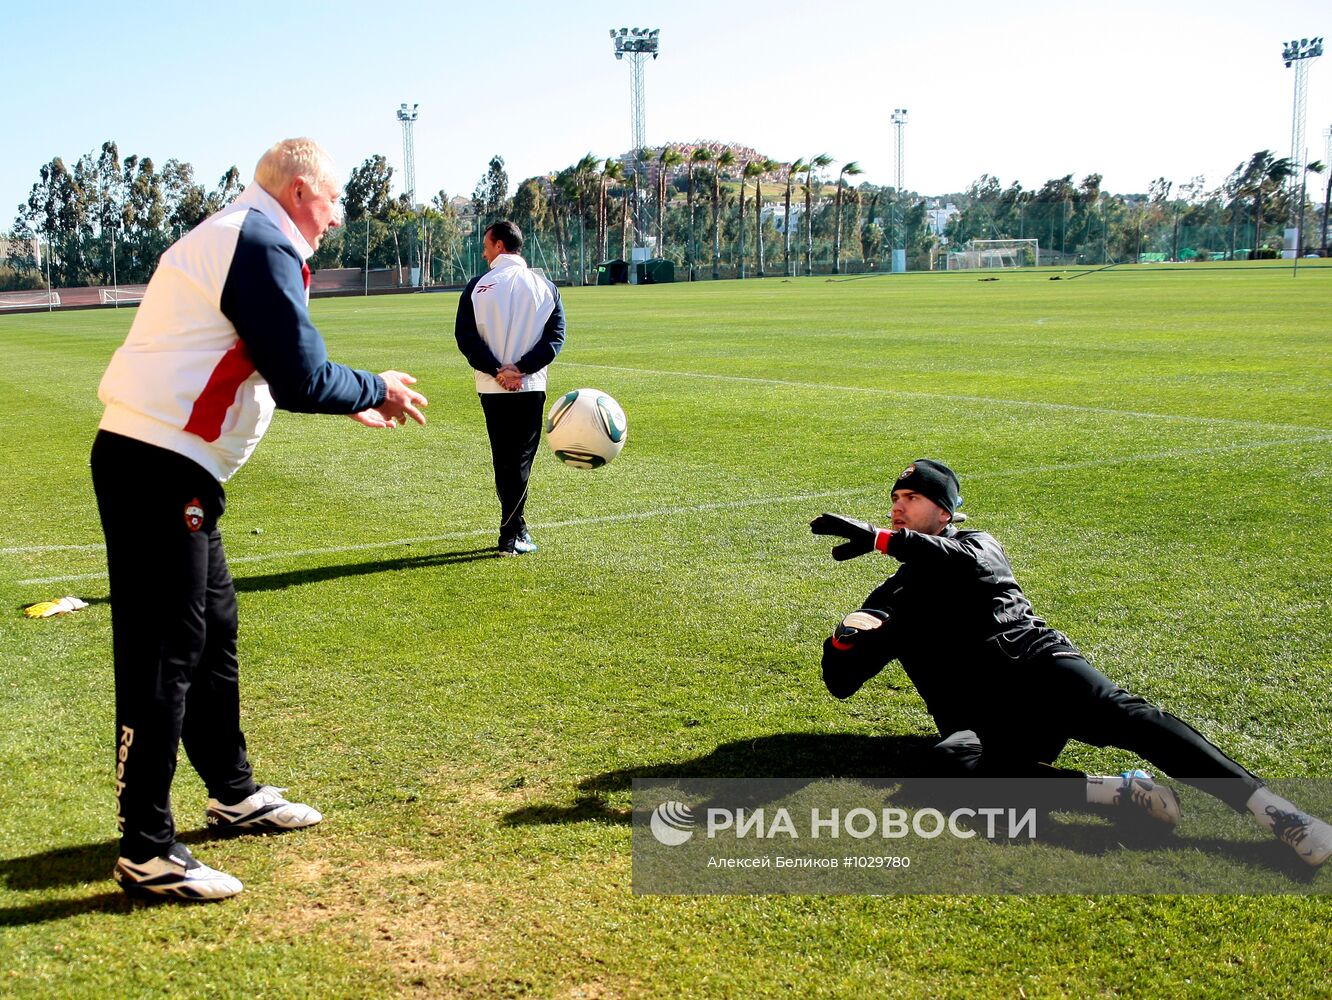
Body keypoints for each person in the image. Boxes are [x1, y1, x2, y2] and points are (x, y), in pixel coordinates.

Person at [92, 138, 428, 901]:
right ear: (303, 191)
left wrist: (352, 398)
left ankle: (233, 792)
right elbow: (302, 374)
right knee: (165, 652)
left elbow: (264, 358)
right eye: (335, 200)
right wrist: (373, 387)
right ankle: (146, 846)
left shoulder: (239, 233)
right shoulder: (260, 239)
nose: (337, 218)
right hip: (157, 465)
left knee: (212, 628)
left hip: (167, 463)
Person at [811, 459, 1332, 867]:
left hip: (1041, 670)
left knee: (1135, 721)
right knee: (950, 768)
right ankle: (1115, 793)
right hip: (991, 720)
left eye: (914, 498)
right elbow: (840, 683)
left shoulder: (976, 545)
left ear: (945, 513)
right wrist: (845, 640)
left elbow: (954, 561)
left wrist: (883, 539)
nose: (899, 507)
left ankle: (1281, 815)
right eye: (895, 500)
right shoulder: (894, 592)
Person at [454, 220, 566, 556]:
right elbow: (555, 339)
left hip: (491, 386)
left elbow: (466, 338)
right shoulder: (545, 286)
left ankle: (515, 530)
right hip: (530, 385)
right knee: (519, 461)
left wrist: (497, 370)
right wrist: (521, 370)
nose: (484, 249)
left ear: (500, 245)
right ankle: (511, 535)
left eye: (487, 244)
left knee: (505, 459)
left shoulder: (477, 286)